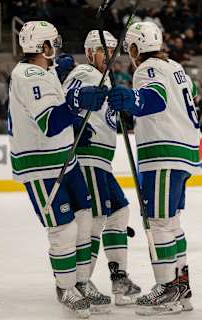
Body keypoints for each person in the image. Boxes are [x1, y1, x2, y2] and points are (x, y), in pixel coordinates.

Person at [7, 21, 108, 319]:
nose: (57, 47)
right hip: (41, 166)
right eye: (53, 43)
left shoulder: (43, 72)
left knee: (85, 220)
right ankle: (65, 288)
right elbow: (49, 123)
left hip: (66, 159)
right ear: (43, 47)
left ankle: (81, 281)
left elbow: (57, 113)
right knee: (63, 229)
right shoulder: (27, 76)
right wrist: (77, 102)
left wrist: (75, 124)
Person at [107, 21, 200, 316]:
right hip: (182, 152)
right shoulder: (175, 67)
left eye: (129, 49)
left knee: (158, 222)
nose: (129, 55)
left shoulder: (147, 69)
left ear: (135, 48)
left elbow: (155, 99)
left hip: (162, 152)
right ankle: (180, 287)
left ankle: (166, 291)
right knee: (171, 223)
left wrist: (131, 99)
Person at [61, 30, 141, 308]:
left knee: (119, 211)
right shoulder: (85, 72)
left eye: (111, 50)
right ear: (90, 52)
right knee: (94, 218)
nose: (108, 56)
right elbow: (71, 96)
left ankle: (119, 277)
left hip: (101, 160)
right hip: (88, 157)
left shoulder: (100, 76)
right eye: (102, 50)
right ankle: (80, 283)